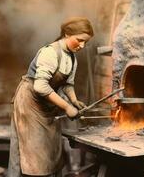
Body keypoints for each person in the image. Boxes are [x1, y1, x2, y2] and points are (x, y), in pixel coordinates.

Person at [8, 16, 94, 177]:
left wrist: (74, 101)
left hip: (46, 106)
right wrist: (66, 107)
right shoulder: (50, 52)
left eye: (86, 42)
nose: (82, 46)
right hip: (30, 105)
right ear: (67, 34)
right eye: (80, 40)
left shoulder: (71, 58)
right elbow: (40, 86)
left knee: (51, 150)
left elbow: (68, 84)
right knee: (34, 155)